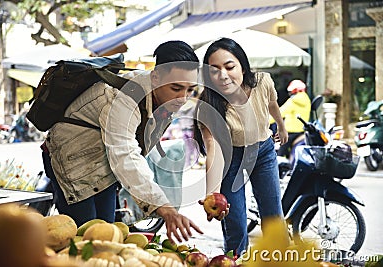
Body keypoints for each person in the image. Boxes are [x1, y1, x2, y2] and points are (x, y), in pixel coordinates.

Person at [43, 40, 203, 243]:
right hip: (71, 160)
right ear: (155, 77)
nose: (183, 98)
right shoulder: (122, 98)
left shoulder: (163, 99)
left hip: (104, 164)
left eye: (190, 90)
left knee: (108, 235)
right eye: (176, 88)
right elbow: (125, 153)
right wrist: (164, 208)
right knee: (84, 240)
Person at [193, 37, 288, 256]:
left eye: (229, 66)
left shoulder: (263, 82)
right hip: (231, 159)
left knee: (273, 216)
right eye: (214, 70)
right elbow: (213, 147)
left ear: (243, 67)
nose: (223, 75)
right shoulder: (208, 105)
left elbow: (272, 104)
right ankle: (235, 260)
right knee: (234, 221)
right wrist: (212, 193)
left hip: (263, 152)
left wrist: (281, 127)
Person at [274, 79, 311, 158]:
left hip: (290, 133)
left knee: (279, 154)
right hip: (301, 132)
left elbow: (279, 114)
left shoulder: (292, 101)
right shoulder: (307, 100)